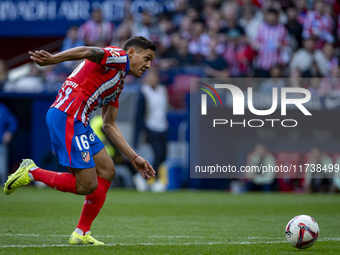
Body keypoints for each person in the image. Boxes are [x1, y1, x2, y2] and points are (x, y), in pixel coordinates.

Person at [4, 36, 156, 245]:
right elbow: (87, 51)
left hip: (79, 121)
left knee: (107, 170)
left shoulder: (117, 82)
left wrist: (134, 157)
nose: (148, 65)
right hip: (68, 115)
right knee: (86, 185)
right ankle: (31, 172)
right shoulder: (119, 57)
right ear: (131, 53)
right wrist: (54, 59)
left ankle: (81, 233)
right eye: (147, 58)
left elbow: (109, 125)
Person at [0, 102, 18, 185]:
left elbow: (13, 121)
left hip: (1, 143)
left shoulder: (2, 108)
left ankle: (3, 189)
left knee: (2, 169)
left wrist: (9, 132)